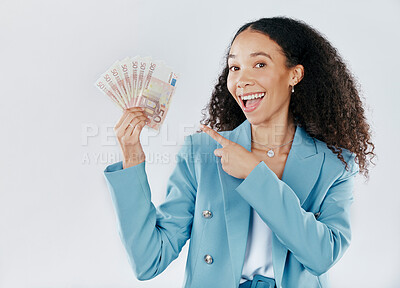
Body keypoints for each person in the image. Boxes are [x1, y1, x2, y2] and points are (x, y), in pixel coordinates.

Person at [103, 16, 375, 288]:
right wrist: (132, 158)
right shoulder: (202, 153)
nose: (242, 80)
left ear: (295, 74)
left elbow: (321, 256)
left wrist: (256, 175)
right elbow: (149, 260)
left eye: (259, 64)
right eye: (234, 67)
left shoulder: (335, 164)